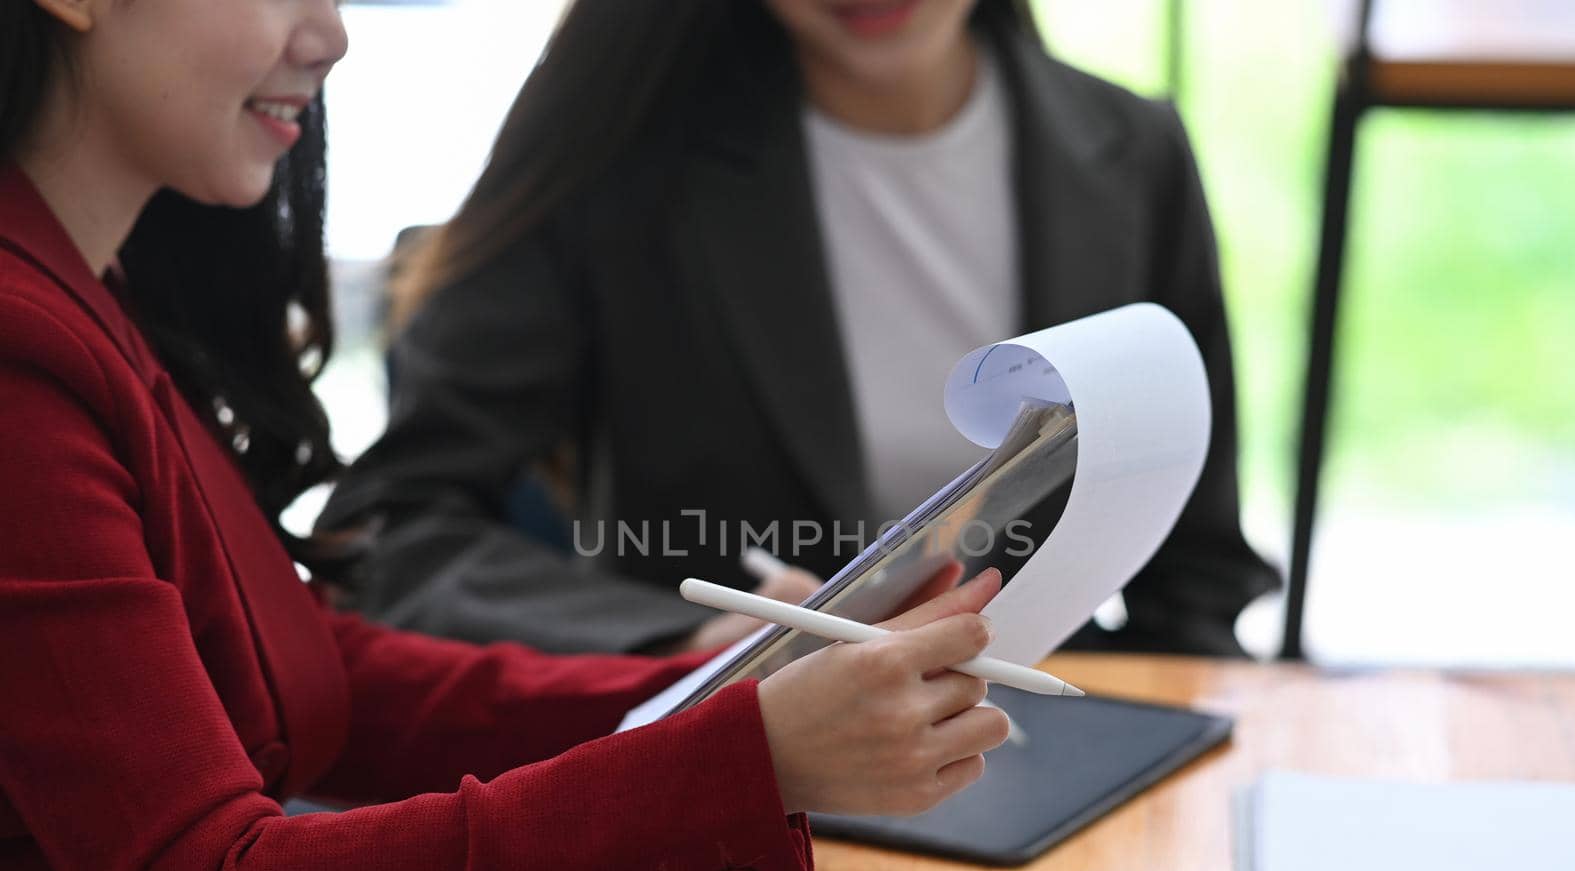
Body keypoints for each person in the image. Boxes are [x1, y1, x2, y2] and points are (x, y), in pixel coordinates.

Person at [0, 0, 1013, 871]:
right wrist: (739, 760)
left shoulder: (94, 293)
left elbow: (292, 665)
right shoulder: (22, 358)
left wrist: (718, 691)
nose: (330, 36)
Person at [317, 0, 1280, 660]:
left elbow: (1196, 566)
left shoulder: (1133, 157)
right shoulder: (621, 161)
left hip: (1047, 759)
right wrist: (692, 639)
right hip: (729, 774)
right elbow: (394, 531)